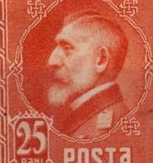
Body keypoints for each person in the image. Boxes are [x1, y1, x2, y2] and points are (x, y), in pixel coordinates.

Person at [46, 10, 130, 139]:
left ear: (101, 59)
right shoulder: (89, 118)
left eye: (67, 47)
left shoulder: (107, 128)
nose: (52, 61)